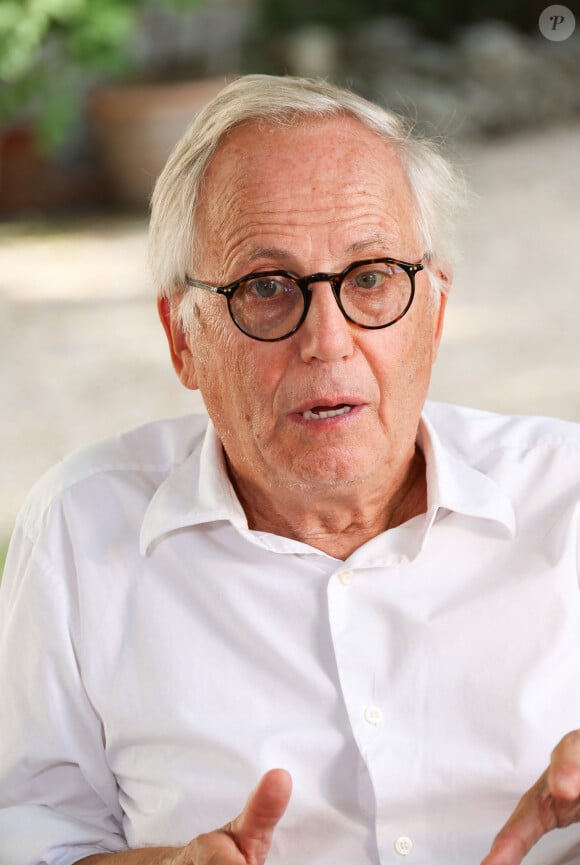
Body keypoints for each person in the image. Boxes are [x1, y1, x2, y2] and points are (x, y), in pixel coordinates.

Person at [0, 74, 579, 865]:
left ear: (436, 313)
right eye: (266, 288)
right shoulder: (80, 530)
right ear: (183, 339)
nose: (328, 341)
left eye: (371, 277)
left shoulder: (568, 499)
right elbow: (30, 836)